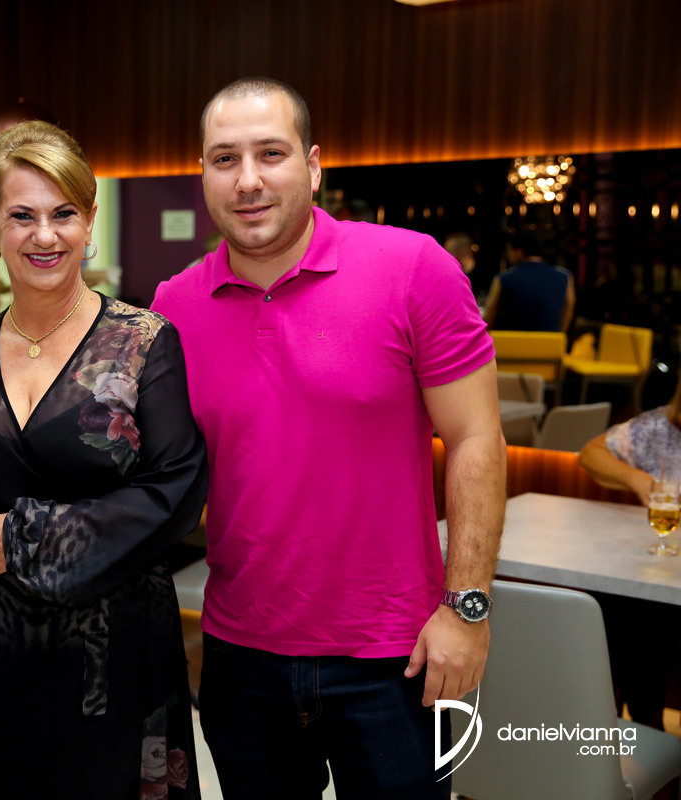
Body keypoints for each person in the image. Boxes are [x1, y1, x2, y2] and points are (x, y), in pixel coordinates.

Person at [151, 77, 506, 799]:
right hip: (240, 655)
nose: (248, 180)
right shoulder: (173, 305)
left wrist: (466, 607)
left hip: (395, 656)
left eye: (270, 153)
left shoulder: (413, 269)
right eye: (225, 159)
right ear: (203, 175)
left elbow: (476, 437)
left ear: (313, 166)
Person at [0, 120, 208, 800]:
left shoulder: (143, 342)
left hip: (115, 654)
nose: (45, 235)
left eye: (63, 214)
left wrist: (23, 538)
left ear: (89, 221)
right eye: (22, 216)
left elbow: (174, 492)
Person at [579, 379, 681, 730]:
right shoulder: (658, 428)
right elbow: (591, 453)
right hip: (655, 574)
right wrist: (639, 481)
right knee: (626, 610)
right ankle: (630, 723)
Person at [482, 231, 575, 332]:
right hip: (550, 340)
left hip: (512, 340)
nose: (508, 255)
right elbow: (568, 312)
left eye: (509, 251)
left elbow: (489, 316)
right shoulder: (565, 277)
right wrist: (557, 334)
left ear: (519, 252)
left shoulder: (503, 279)